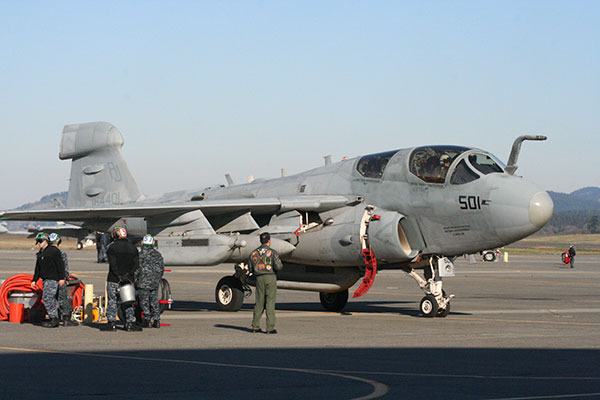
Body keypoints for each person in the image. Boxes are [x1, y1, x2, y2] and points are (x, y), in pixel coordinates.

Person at [102, 226, 142, 332]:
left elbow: (113, 264)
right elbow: (136, 265)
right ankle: (129, 323)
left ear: (115, 235)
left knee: (112, 301)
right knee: (128, 302)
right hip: (128, 280)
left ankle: (111, 323)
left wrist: (119, 276)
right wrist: (127, 276)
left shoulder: (111, 247)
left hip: (113, 279)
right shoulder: (133, 248)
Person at [249, 232, 283, 334]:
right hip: (270, 277)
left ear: (260, 241)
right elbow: (278, 266)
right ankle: (270, 327)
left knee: (259, 302)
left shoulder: (253, 253)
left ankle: (255, 326)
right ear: (269, 241)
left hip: (259, 278)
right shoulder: (272, 252)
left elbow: (250, 268)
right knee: (270, 302)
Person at [31, 233, 66, 328]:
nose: (39, 243)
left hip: (53, 279)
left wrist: (61, 278)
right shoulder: (40, 253)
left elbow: (60, 265)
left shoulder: (53, 251)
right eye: (38, 242)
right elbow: (37, 268)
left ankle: (54, 318)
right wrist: (34, 280)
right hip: (45, 279)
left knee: (48, 298)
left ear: (46, 241)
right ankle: (55, 317)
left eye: (40, 241)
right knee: (50, 299)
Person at [48, 233, 78, 327]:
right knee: (63, 299)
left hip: (50, 280)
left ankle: (54, 318)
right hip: (60, 279)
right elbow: (64, 268)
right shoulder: (61, 253)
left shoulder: (45, 252)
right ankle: (66, 319)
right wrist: (66, 276)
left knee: (51, 298)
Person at [135, 234, 164, 328]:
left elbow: (136, 269)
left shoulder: (140, 255)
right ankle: (157, 320)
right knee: (154, 301)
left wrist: (135, 279)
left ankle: (147, 319)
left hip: (143, 282)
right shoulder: (158, 254)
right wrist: (158, 278)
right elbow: (161, 268)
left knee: (144, 301)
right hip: (154, 282)